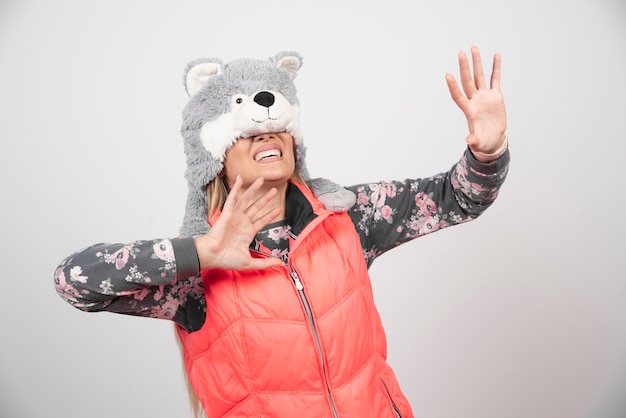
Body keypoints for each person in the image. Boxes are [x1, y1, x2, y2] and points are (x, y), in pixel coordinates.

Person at [54, 46, 509, 418]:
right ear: (213, 159)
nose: (266, 137)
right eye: (247, 134)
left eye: (276, 130)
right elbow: (75, 280)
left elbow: (458, 197)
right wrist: (203, 252)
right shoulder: (195, 275)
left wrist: (488, 152)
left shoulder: (348, 216)